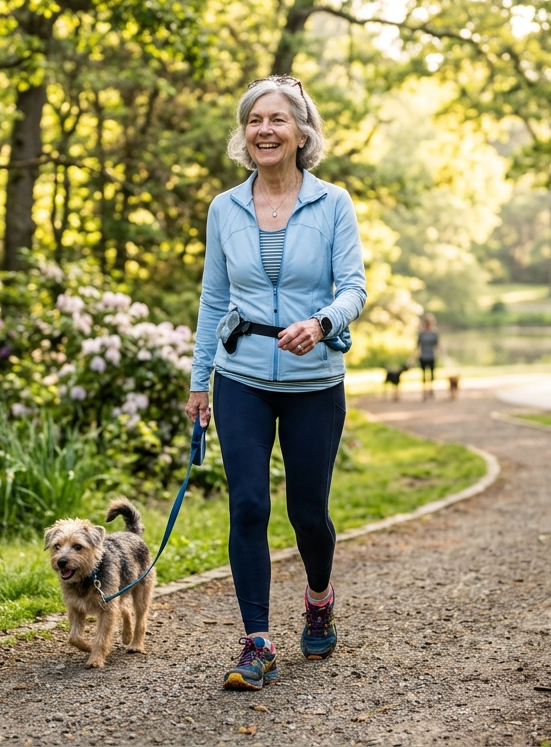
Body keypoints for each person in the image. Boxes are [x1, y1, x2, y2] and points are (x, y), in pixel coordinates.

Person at [184, 76, 367, 691]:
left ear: (301, 133)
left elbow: (354, 287)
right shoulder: (224, 207)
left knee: (307, 513)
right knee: (248, 505)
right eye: (255, 120)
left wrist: (322, 323)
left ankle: (319, 598)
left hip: (315, 380)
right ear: (245, 133)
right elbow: (213, 299)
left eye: (278, 119)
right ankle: (257, 642)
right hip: (241, 374)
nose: (265, 129)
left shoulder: (333, 202)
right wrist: (200, 381)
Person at [417, 314, 440, 400]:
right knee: (423, 375)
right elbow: (417, 344)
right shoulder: (421, 333)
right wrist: (414, 355)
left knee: (432, 374)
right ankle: (424, 391)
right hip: (423, 356)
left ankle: (431, 390)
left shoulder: (434, 333)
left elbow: (437, 344)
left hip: (431, 356)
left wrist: (441, 353)